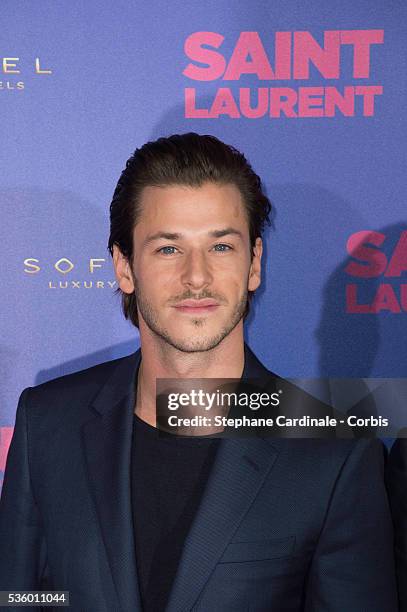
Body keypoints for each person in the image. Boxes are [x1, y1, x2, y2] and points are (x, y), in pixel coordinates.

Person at [0, 133, 398, 611]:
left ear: (254, 264)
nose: (197, 277)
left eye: (221, 247)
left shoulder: (333, 454)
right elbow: (18, 596)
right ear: (124, 267)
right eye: (168, 248)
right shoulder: (48, 422)